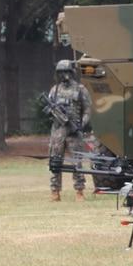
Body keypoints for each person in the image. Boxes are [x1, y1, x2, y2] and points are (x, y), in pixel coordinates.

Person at [46, 59, 95, 201]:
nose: (63, 75)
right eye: (60, 73)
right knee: (55, 161)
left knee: (77, 162)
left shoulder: (80, 89)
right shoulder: (54, 90)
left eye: (65, 72)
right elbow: (49, 109)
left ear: (71, 72)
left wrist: (82, 123)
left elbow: (87, 109)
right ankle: (55, 192)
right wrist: (52, 113)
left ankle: (79, 191)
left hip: (74, 132)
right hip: (58, 131)